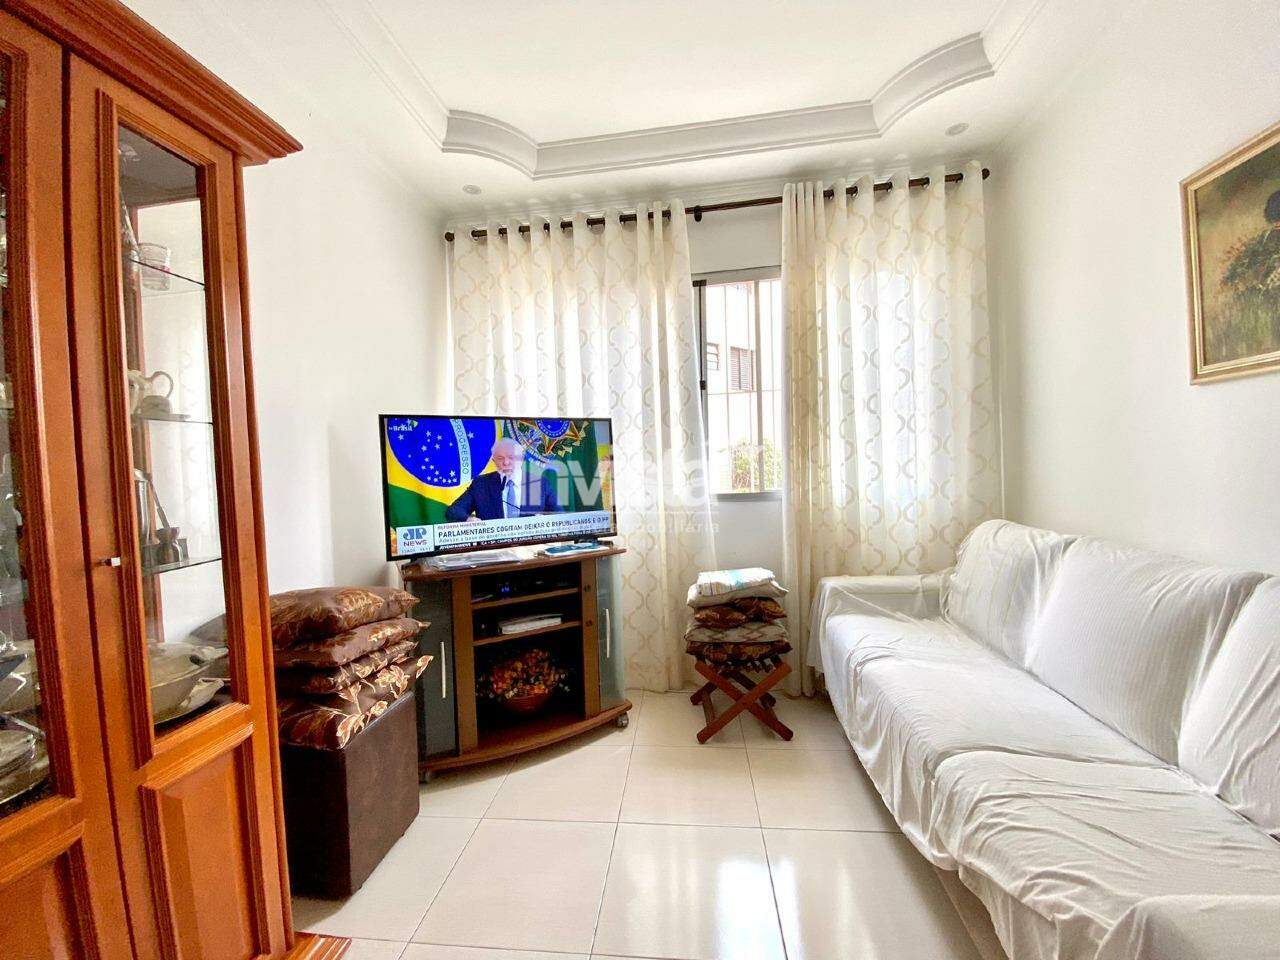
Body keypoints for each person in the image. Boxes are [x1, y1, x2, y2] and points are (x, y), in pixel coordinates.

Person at [445, 437, 560, 522]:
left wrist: (545, 520)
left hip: (530, 544)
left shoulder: (540, 483)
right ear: (494, 461)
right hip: (494, 545)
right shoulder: (481, 484)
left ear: (521, 459)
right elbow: (453, 511)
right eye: (500, 458)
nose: (506, 462)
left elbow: (559, 515)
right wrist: (468, 519)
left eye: (511, 457)